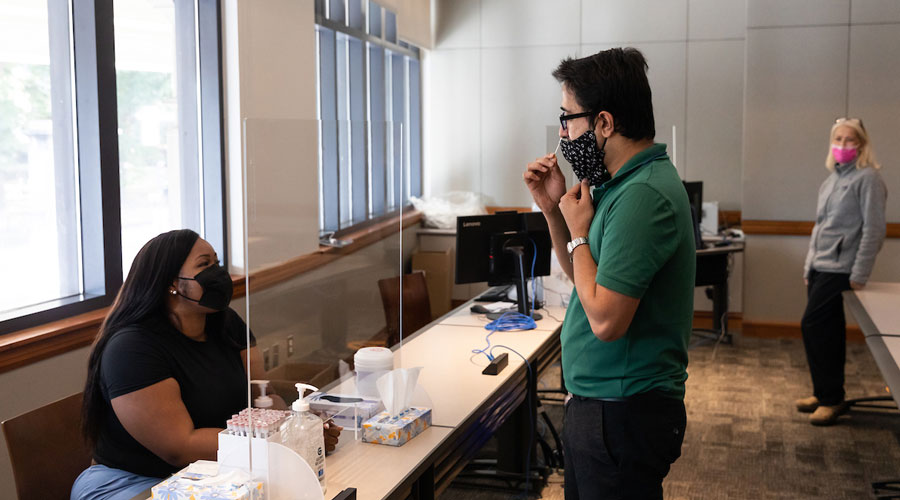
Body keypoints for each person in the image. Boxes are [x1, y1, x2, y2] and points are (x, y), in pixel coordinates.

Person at [523, 47, 695, 499]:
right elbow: (583, 276)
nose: (563, 133)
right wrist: (553, 210)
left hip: (623, 411)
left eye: (568, 118)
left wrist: (579, 232)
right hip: (603, 405)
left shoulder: (643, 196)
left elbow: (605, 320)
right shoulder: (618, 186)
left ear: (603, 123)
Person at [71, 229, 341, 500]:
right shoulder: (131, 348)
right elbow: (180, 447)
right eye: (204, 265)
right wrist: (280, 440)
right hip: (135, 482)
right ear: (171, 283)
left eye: (217, 263)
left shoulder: (227, 323)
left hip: (218, 471)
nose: (218, 273)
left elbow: (264, 397)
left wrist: (301, 429)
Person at [797, 118, 887, 426]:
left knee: (812, 325)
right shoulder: (831, 180)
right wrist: (809, 264)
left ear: (861, 145)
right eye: (838, 139)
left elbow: (874, 230)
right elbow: (819, 227)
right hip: (821, 265)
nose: (843, 145)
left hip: (843, 268)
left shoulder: (868, 179)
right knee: (826, 332)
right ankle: (825, 393)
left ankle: (832, 398)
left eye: (850, 140)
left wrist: (860, 272)